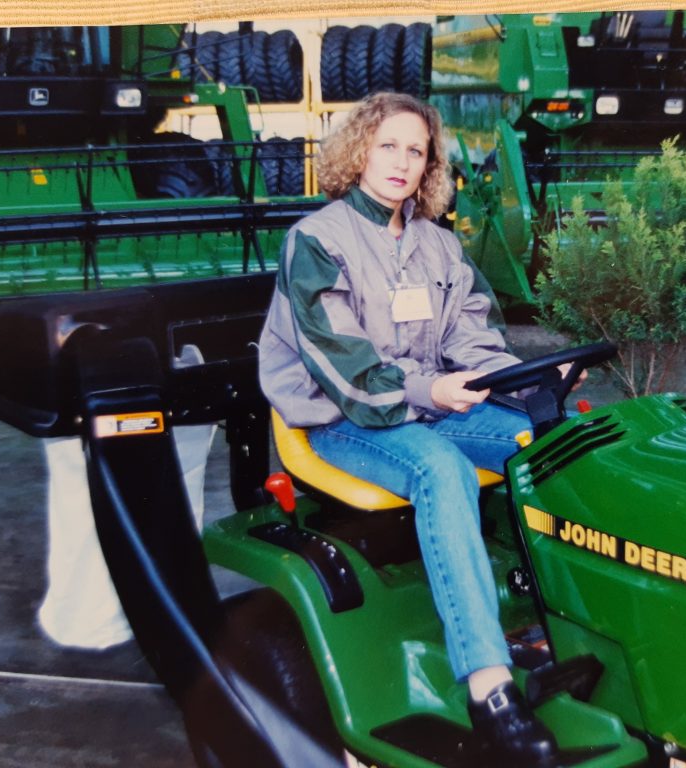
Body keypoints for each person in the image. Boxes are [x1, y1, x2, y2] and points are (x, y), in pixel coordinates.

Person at [259, 92, 571, 764]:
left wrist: (528, 388)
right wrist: (431, 389)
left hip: (426, 408)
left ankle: (565, 628)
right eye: (389, 145)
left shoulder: (436, 244)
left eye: (417, 150)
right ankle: (490, 690)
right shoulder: (315, 242)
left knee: (553, 443)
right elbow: (350, 373)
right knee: (441, 467)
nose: (402, 161)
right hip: (338, 418)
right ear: (359, 150)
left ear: (431, 166)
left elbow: (473, 337)